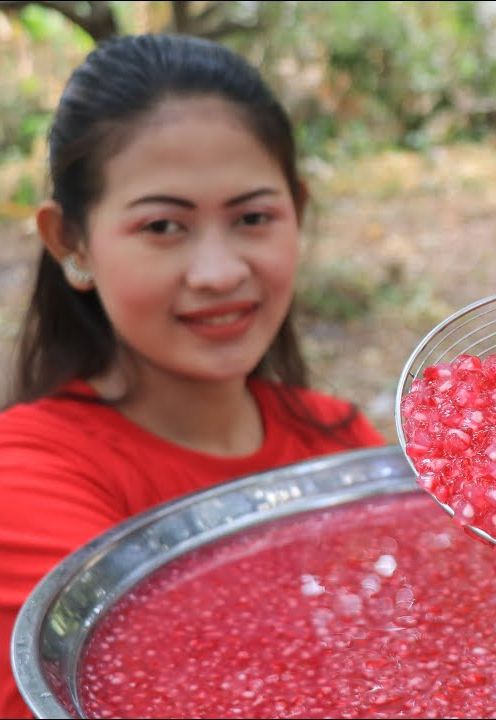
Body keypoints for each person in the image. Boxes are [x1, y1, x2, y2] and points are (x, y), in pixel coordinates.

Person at [0, 34, 386, 717]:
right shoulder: (25, 472)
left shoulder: (340, 443)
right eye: (163, 226)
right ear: (71, 241)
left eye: (253, 217)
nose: (220, 272)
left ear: (298, 210)